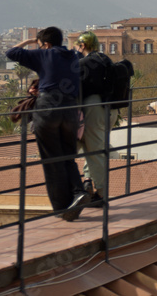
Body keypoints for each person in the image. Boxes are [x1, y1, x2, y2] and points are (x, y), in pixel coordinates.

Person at [6, 27, 89, 221]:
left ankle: (62, 209)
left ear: (46, 44)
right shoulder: (73, 56)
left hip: (48, 109)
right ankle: (78, 191)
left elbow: (10, 52)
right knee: (68, 156)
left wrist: (29, 43)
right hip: (70, 111)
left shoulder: (45, 54)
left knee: (52, 160)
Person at [73, 31, 111, 208]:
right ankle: (88, 182)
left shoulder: (82, 63)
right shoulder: (105, 60)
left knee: (94, 150)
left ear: (82, 46)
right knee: (92, 148)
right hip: (107, 108)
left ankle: (101, 194)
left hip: (91, 108)